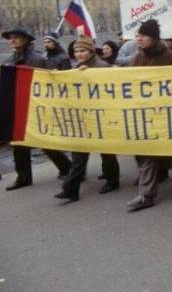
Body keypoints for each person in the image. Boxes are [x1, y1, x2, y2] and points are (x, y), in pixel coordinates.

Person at [1, 27, 72, 191]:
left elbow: (44, 83)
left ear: (26, 40)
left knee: (43, 141)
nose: (12, 40)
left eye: (16, 37)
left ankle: (66, 167)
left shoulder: (37, 59)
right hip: (18, 106)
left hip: (35, 106)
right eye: (11, 37)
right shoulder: (10, 59)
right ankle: (23, 177)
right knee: (18, 142)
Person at [54, 35, 120, 202]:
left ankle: (113, 180)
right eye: (76, 51)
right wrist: (58, 78)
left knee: (107, 152)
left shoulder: (101, 67)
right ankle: (71, 189)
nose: (79, 54)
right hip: (83, 118)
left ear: (91, 52)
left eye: (82, 51)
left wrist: (90, 74)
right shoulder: (77, 66)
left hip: (101, 117)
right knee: (79, 153)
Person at [125, 19, 172, 211]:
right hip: (145, 114)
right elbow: (122, 78)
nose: (138, 39)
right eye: (137, 36)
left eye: (142, 36)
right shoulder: (136, 58)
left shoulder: (170, 57)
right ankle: (146, 194)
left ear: (153, 38)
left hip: (167, 113)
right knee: (147, 150)